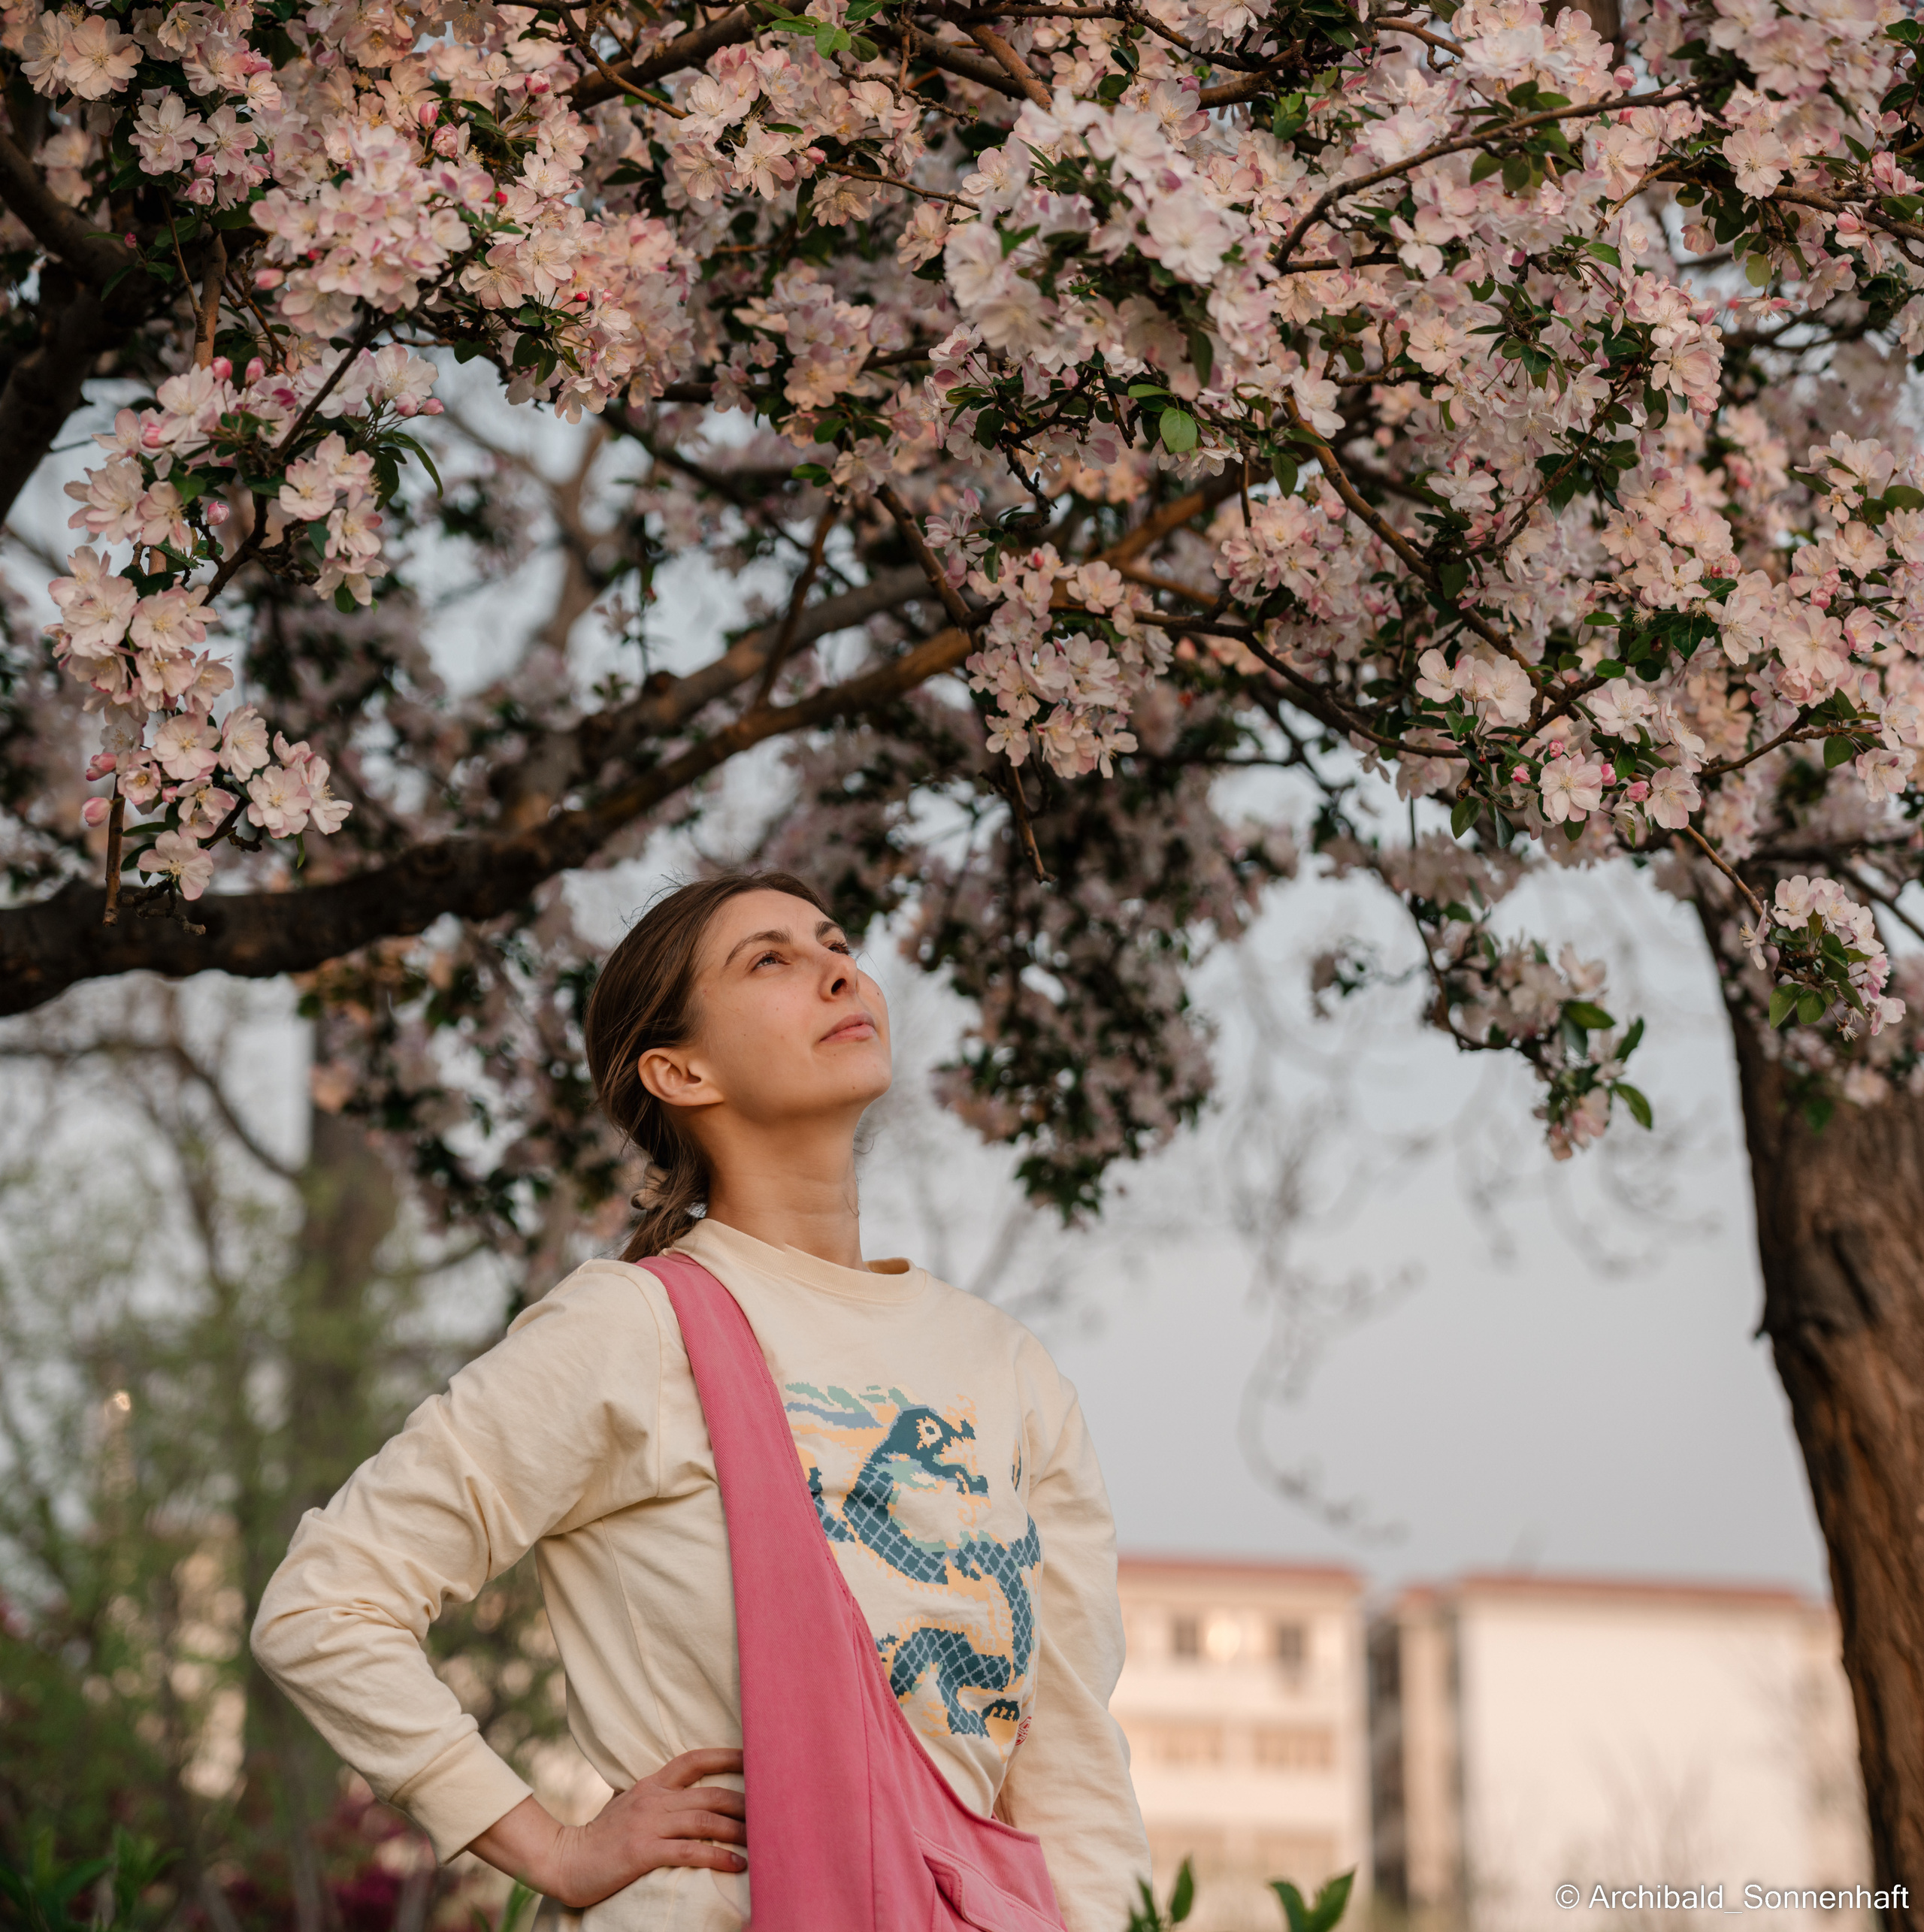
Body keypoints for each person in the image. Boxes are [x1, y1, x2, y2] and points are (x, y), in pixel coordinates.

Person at [251, 870, 1151, 1930]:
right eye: (770, 959)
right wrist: (549, 1845)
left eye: (835, 943)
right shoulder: (634, 1330)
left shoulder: (1005, 1367)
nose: (835, 970)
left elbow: (1068, 1765)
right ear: (679, 1070)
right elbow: (327, 1602)